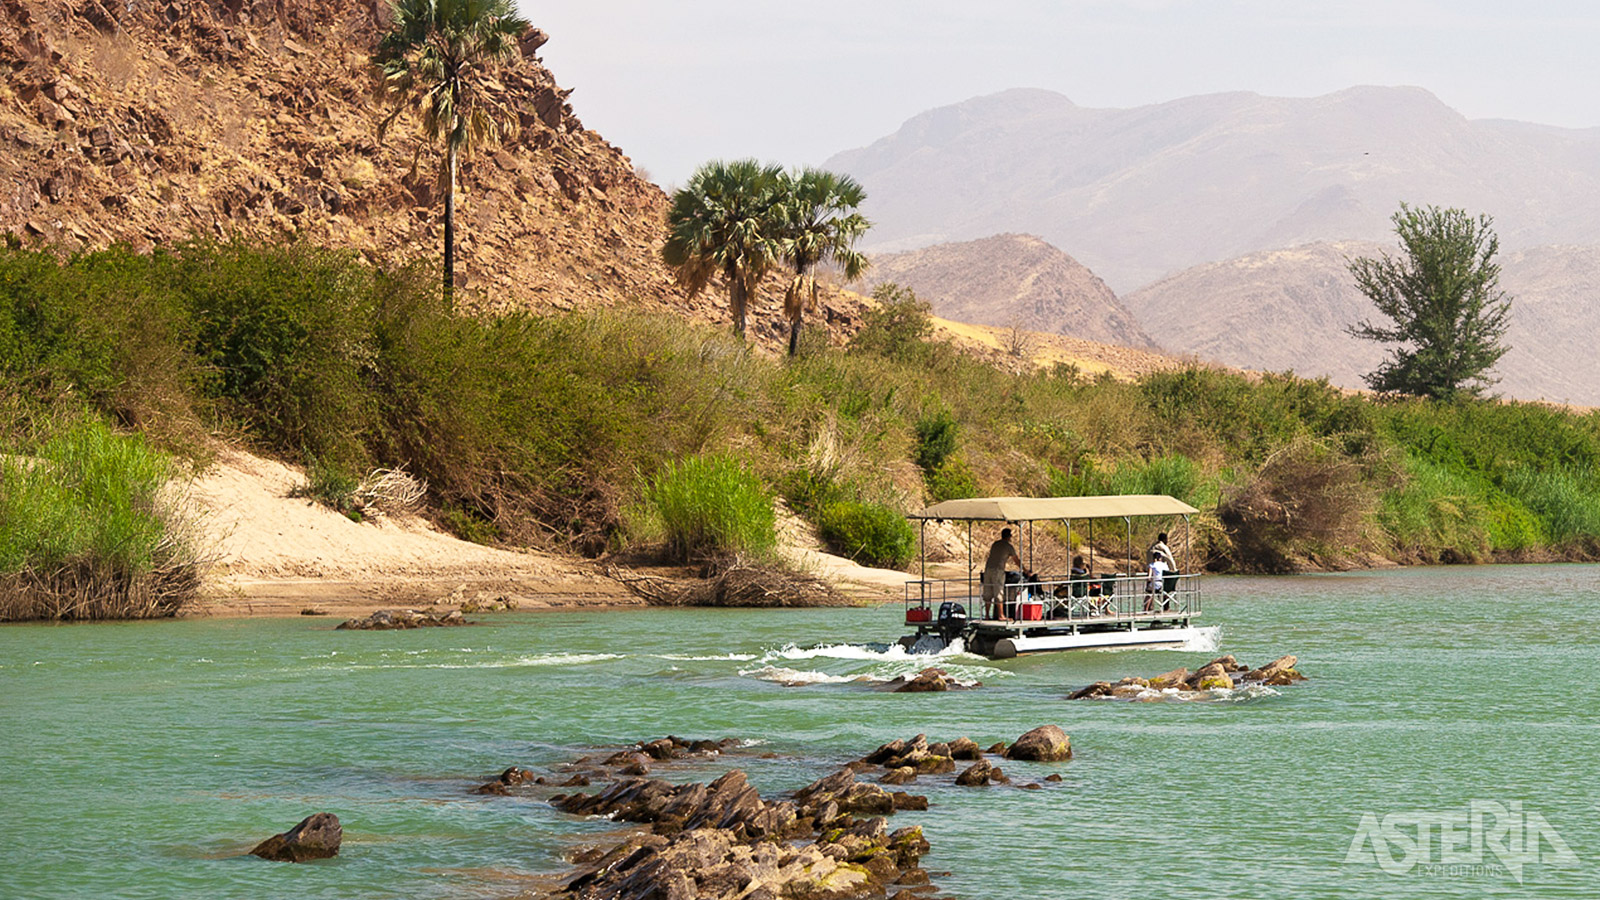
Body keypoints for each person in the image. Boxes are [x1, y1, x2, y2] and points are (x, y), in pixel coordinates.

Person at [980, 527, 1021, 618]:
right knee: (999, 592)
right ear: (1009, 536)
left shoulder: (995, 544)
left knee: (988, 593)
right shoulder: (1008, 546)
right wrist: (1025, 570)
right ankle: (1001, 615)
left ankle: (987, 615)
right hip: (997, 570)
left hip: (988, 569)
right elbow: (1016, 560)